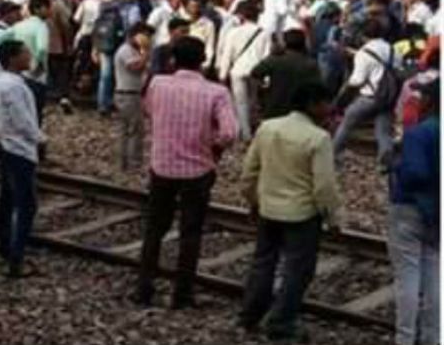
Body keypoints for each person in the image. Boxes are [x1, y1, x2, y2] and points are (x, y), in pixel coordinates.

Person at [134, 36, 238, 309]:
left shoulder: (157, 84)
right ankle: (182, 294)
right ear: (203, 60)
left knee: (154, 229)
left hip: (162, 165)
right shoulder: (217, 92)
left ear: (172, 60)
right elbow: (229, 133)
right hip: (198, 170)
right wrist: (212, 144)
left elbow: (149, 112)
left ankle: (144, 288)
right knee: (190, 233)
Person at [239, 82, 340, 341]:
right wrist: (332, 218)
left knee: (263, 262)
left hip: (268, 209)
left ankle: (250, 313)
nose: (328, 108)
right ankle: (281, 321)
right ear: (312, 104)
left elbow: (249, 172)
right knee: (298, 270)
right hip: (301, 215)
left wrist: (253, 201)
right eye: (325, 103)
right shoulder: (318, 138)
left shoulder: (268, 127)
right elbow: (324, 187)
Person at [388, 78, 440, 345]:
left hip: (410, 209)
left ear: (430, 101)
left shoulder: (419, 133)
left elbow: (415, 173)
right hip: (437, 214)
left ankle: (405, 338)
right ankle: (433, 337)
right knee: (434, 276)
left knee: (408, 276)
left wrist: (397, 165)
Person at [0, 40, 45, 278]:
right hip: (19, 148)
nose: (29, 56)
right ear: (13, 58)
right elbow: (23, 120)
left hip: (4, 144)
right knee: (26, 204)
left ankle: (4, 245)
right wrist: (40, 138)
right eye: (25, 53)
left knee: (7, 197)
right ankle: (16, 257)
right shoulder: (14, 87)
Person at [331, 18, 399, 169]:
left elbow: (357, 80)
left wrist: (344, 92)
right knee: (384, 129)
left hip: (369, 97)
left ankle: (332, 153)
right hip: (388, 96)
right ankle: (385, 161)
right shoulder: (392, 49)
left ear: (363, 35)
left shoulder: (364, 52)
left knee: (347, 123)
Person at [217, 0, 272, 141]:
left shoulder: (233, 32)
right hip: (256, 70)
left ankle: (245, 133)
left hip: (237, 70)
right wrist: (266, 78)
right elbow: (266, 55)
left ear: (242, 16)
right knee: (252, 100)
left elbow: (227, 55)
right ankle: (251, 128)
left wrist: (222, 74)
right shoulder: (265, 33)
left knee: (240, 102)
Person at [251, 29, 321, 120]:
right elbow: (318, 89)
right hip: (300, 113)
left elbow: (255, 74)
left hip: (274, 109)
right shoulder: (310, 64)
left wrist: (261, 93)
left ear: (284, 43)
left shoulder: (275, 59)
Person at [114, 23, 153, 170]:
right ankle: (132, 163)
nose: (148, 39)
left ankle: (125, 162)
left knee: (128, 130)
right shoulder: (126, 51)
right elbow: (134, 68)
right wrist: (146, 53)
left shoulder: (134, 50)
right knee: (134, 130)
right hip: (128, 94)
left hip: (130, 93)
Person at [11, 0, 51, 126]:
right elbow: (42, 49)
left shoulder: (19, 25)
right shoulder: (41, 26)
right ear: (38, 9)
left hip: (19, 73)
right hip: (36, 76)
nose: (49, 11)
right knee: (36, 111)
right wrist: (37, 66)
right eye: (47, 8)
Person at [185, 0, 215, 71]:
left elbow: (209, 45)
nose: (193, 9)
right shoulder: (182, 21)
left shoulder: (208, 24)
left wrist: (206, 64)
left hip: (197, 62)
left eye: (196, 7)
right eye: (191, 6)